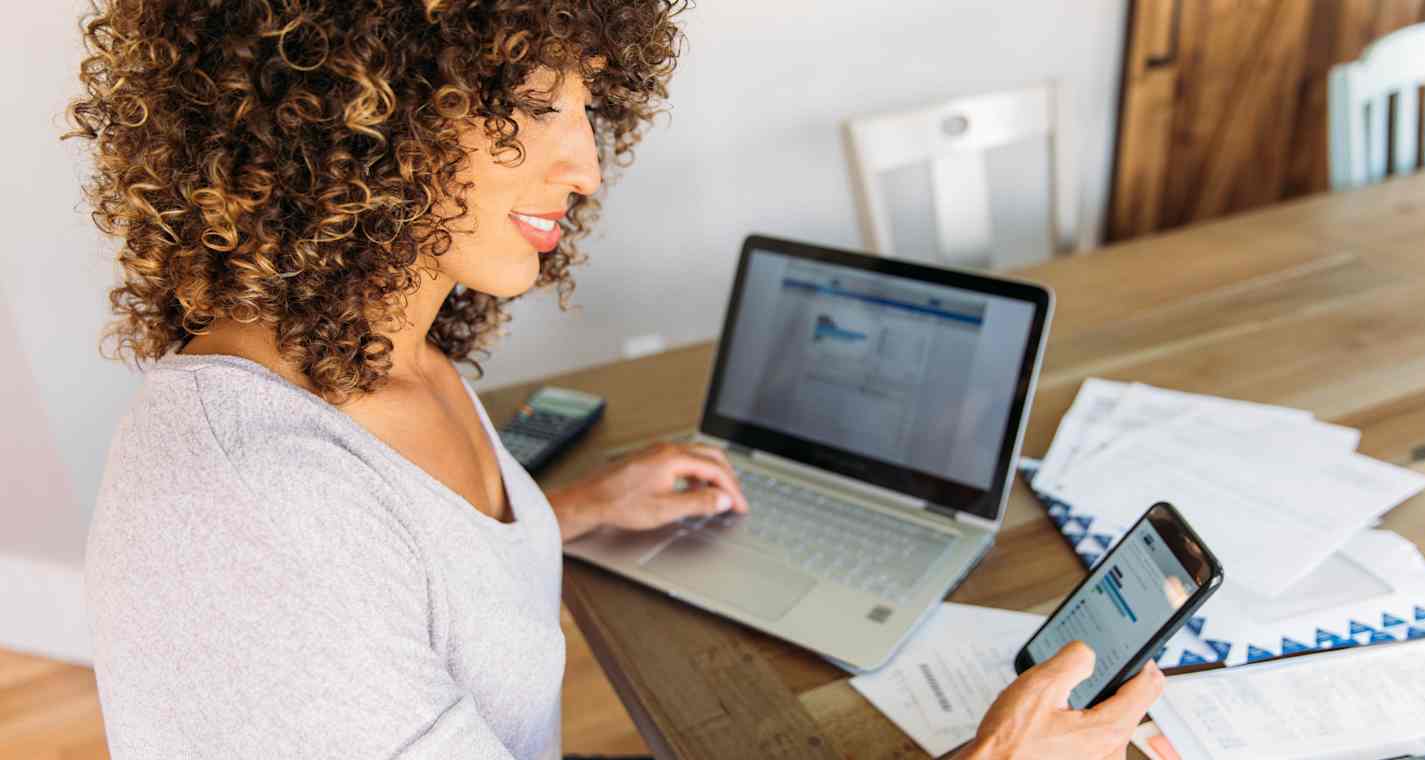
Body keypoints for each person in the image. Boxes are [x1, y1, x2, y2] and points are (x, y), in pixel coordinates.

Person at [67, 1, 1164, 757]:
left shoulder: (385, 355)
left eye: (588, 109)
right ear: (357, 106)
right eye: (538, 107)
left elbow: (412, 575)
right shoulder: (255, 513)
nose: (587, 167)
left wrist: (571, 511)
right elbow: (339, 567)